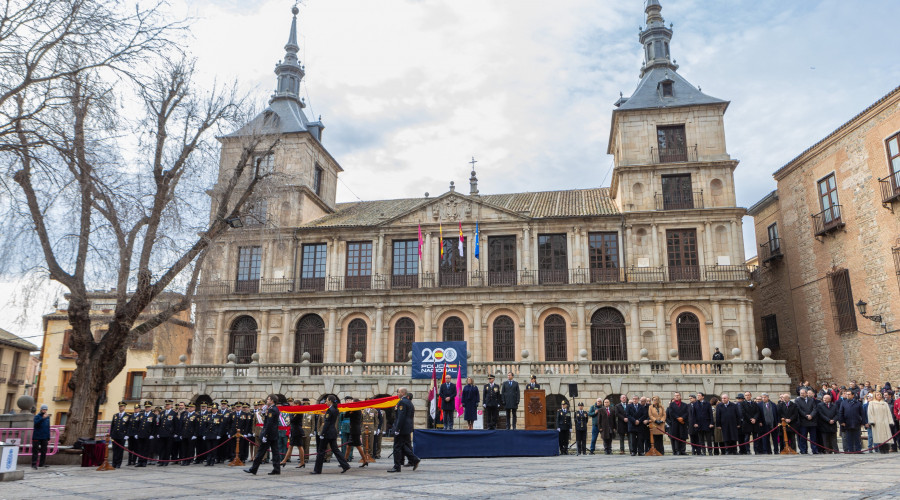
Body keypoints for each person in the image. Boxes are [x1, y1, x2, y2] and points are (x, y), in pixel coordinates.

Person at [310, 395, 351, 474]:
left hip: (327, 433)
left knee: (321, 451)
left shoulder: (330, 410)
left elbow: (327, 423)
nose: (326, 402)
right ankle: (345, 465)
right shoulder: (335, 409)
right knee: (335, 450)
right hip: (332, 432)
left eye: (327, 401)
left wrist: (322, 433)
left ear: (330, 401)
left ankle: (317, 470)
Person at [245, 394, 283, 475]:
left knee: (260, 452)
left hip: (269, 435)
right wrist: (263, 412)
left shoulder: (272, 410)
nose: (267, 400)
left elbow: (269, 424)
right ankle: (277, 469)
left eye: (268, 399)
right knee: (275, 452)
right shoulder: (274, 408)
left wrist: (265, 435)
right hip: (273, 434)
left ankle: (253, 469)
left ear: (272, 400)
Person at [387, 387, 420, 473]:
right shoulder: (409, 402)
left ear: (402, 393)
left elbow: (401, 417)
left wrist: (397, 429)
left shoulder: (402, 402)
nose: (397, 394)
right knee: (403, 446)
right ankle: (414, 459)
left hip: (402, 428)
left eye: (398, 392)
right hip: (407, 428)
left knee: (397, 447)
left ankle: (397, 466)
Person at [343, 400, 372, 467]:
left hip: (354, 430)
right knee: (349, 446)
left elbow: (346, 415)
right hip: (354, 430)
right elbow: (346, 415)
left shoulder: (356, 410)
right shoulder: (356, 410)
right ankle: (345, 461)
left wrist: (348, 408)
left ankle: (345, 462)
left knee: (358, 446)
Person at [794, 389, 818, 454]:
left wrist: (811, 415)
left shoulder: (811, 400)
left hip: (812, 421)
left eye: (803, 393)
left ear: (806, 393)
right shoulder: (797, 400)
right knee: (803, 437)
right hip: (803, 421)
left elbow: (815, 409)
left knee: (813, 437)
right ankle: (803, 450)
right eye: (800, 393)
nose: (802, 394)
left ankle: (814, 450)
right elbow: (799, 409)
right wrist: (806, 415)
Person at [135, 401, 158, 467]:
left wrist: (152, 434)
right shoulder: (141, 415)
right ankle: (139, 461)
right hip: (140, 434)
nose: (147, 408)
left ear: (150, 407)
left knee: (146, 449)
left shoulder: (153, 416)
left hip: (148, 435)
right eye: (146, 407)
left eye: (148, 407)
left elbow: (154, 426)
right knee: (140, 449)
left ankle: (144, 461)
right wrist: (136, 433)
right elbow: (137, 424)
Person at [109, 401, 130, 468]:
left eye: (122, 406)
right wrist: (111, 435)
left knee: (120, 450)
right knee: (114, 450)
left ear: (124, 407)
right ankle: (114, 463)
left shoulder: (127, 416)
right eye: (120, 406)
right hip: (115, 435)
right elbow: (112, 426)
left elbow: (128, 426)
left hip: (122, 436)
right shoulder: (115, 415)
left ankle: (118, 463)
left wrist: (127, 435)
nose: (121, 408)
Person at [32, 404, 51, 469]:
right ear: (41, 409)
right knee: (35, 451)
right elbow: (36, 424)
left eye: (45, 409)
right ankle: (34, 464)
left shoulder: (47, 417)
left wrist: (48, 436)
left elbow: (48, 427)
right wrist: (42, 418)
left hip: (44, 436)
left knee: (44, 451)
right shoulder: (37, 416)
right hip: (37, 436)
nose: (44, 410)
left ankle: (41, 464)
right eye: (43, 409)